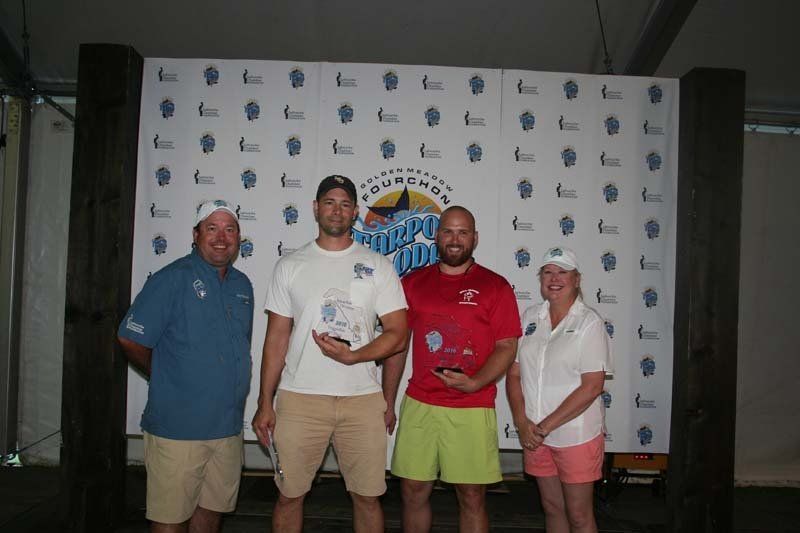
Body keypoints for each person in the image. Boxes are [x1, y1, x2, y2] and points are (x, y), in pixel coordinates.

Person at [252, 175, 408, 533]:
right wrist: (264, 401)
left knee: (368, 498)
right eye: (329, 202)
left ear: (355, 212)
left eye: (344, 204)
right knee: (289, 496)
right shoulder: (290, 265)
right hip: (300, 398)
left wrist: (355, 356)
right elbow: (276, 338)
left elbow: (399, 334)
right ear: (315, 208)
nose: (336, 210)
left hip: (361, 400)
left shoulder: (379, 266)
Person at [118, 200, 254, 533]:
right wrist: (166, 374)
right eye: (212, 228)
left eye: (229, 229)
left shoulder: (242, 285)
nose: (221, 238)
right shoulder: (171, 279)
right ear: (196, 234)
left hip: (227, 428)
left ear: (238, 237)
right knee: (170, 519)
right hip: (177, 429)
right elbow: (130, 339)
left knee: (211, 513)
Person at [383, 206, 521, 533]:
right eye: (448, 231)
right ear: (436, 236)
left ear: (475, 238)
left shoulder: (496, 286)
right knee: (412, 491)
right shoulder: (413, 283)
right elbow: (398, 346)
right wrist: (387, 401)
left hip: (472, 406)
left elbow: (507, 346)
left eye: (463, 232)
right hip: (420, 403)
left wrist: (475, 383)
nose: (455, 239)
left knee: (471, 497)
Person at [506, 247, 612, 533]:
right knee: (552, 508)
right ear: (540, 278)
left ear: (576, 279)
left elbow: (592, 387)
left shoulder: (590, 322)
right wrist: (522, 422)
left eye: (562, 272)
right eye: (548, 272)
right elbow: (514, 374)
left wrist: (543, 427)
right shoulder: (530, 317)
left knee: (579, 515)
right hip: (534, 435)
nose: (554, 278)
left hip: (575, 436)